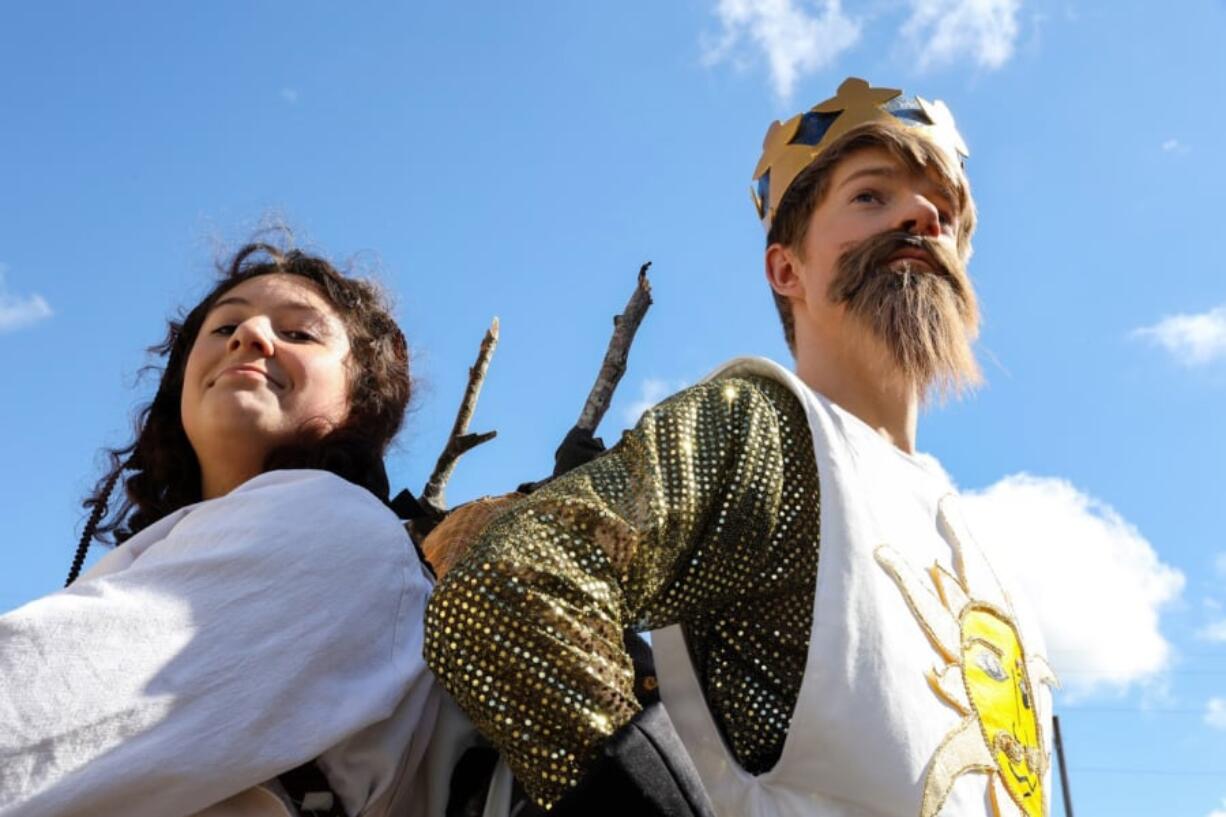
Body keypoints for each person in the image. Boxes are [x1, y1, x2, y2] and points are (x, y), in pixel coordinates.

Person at [424, 77, 1057, 817]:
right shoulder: (772, 431)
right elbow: (512, 588)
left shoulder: (986, 553)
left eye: (944, 213)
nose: (922, 215)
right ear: (787, 268)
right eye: (871, 195)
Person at [0, 242, 440, 817]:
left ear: (362, 400)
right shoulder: (164, 550)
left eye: (301, 334)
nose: (250, 336)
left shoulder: (337, 524)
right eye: (225, 324)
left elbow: (35, 711)